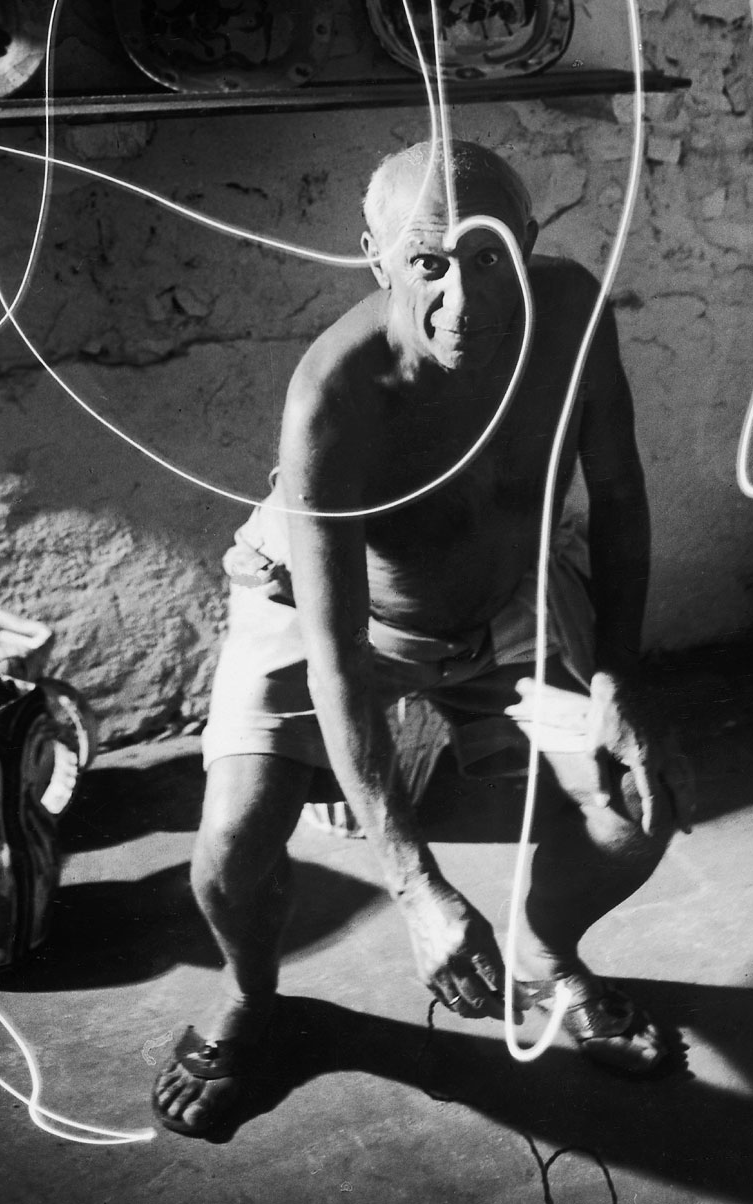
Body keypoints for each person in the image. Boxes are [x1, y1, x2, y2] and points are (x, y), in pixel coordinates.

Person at [152, 138, 695, 1141]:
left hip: (506, 601)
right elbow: (333, 657)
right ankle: (251, 996)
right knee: (227, 854)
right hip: (329, 613)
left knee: (639, 798)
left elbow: (617, 493)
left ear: (529, 241)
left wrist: (616, 677)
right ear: (376, 259)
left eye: (489, 257)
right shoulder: (333, 394)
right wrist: (415, 889)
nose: (464, 299)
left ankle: (546, 956)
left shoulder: (571, 313)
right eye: (428, 263)